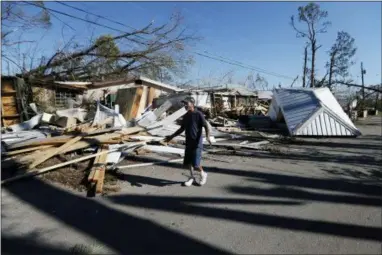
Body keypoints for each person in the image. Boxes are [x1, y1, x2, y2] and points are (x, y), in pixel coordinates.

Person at [164, 97, 212, 186]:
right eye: (184, 104)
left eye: (187, 103)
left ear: (192, 104)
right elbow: (181, 129)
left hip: (197, 142)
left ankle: (203, 174)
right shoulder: (186, 116)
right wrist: (171, 136)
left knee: (196, 164)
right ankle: (192, 177)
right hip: (188, 142)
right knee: (189, 163)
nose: (185, 105)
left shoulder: (198, 114)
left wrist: (208, 136)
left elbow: (205, 125)